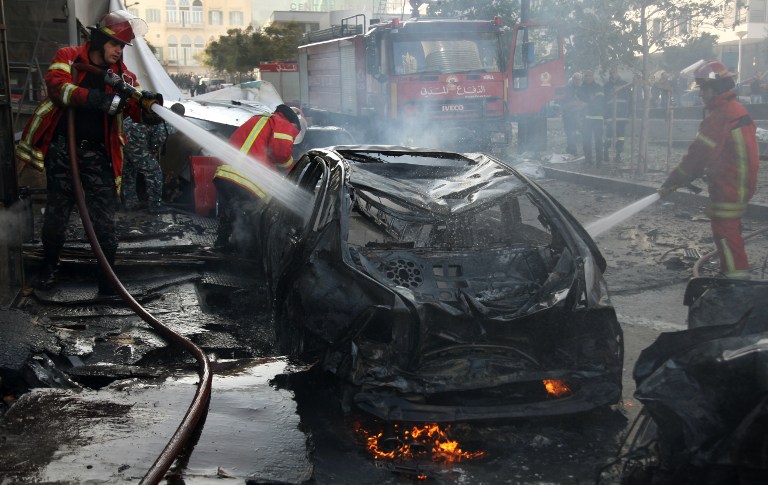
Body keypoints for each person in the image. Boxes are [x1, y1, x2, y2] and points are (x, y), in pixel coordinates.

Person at [14, 10, 163, 294]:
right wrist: (97, 99)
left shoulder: (125, 77)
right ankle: (49, 267)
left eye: (122, 47)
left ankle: (108, 280)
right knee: (58, 214)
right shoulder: (68, 57)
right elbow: (58, 88)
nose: (119, 51)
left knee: (104, 220)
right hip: (63, 151)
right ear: (98, 40)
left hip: (98, 155)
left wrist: (150, 111)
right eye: (115, 45)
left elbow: (133, 107)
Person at [658, 60, 759, 280]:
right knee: (730, 228)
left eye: (704, 88)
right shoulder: (737, 110)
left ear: (717, 88)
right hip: (738, 182)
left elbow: (697, 156)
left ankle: (735, 281)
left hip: (729, 185)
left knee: (725, 231)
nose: (701, 94)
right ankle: (733, 274)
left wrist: (673, 180)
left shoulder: (720, 116)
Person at [213, 104, 304, 251]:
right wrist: (293, 170)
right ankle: (246, 250)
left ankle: (223, 243)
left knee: (234, 209)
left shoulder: (261, 119)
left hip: (226, 174)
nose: (294, 135)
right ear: (293, 122)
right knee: (253, 213)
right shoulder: (284, 124)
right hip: (246, 178)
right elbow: (280, 154)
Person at [122, 103, 184, 212]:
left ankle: (130, 203)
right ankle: (155, 205)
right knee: (155, 172)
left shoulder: (161, 113)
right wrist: (151, 152)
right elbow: (157, 139)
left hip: (123, 137)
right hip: (136, 141)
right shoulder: (167, 122)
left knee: (129, 171)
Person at [603, 67, 632, 163]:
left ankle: (618, 154)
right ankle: (606, 153)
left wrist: (628, 113)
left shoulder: (624, 84)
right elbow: (604, 101)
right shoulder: (606, 86)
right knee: (608, 135)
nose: (612, 74)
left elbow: (630, 100)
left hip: (622, 115)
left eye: (614, 72)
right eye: (611, 73)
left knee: (621, 136)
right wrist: (605, 116)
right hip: (610, 115)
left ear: (617, 72)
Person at [577, 70, 604, 166]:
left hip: (597, 118)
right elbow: (579, 100)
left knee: (598, 140)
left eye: (590, 75)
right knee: (586, 140)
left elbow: (599, 101)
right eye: (586, 76)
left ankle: (599, 161)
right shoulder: (581, 88)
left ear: (593, 77)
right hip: (585, 118)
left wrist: (587, 103)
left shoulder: (598, 87)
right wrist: (589, 100)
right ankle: (588, 159)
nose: (588, 77)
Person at [560, 72, 585, 157]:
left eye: (579, 80)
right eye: (576, 79)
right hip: (568, 115)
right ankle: (572, 150)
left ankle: (572, 149)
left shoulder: (582, 88)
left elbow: (584, 101)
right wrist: (575, 103)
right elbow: (564, 104)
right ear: (573, 79)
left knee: (578, 132)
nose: (577, 81)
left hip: (579, 115)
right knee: (570, 133)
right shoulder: (567, 89)